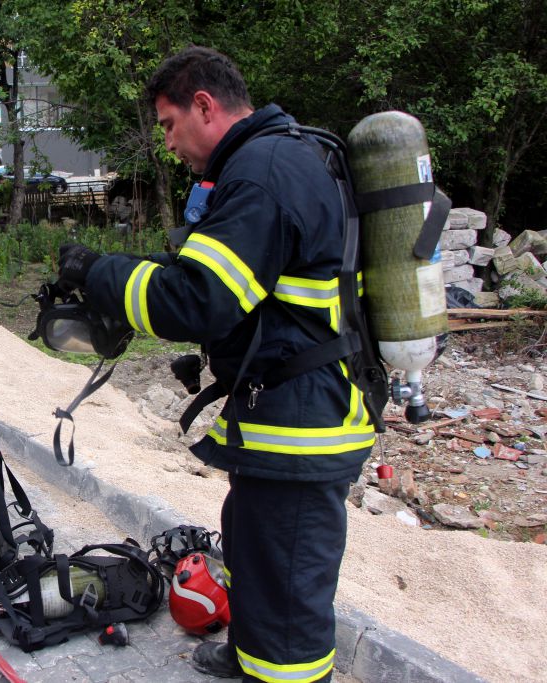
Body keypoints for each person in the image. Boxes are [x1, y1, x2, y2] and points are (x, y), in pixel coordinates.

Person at [57, 47, 374, 682]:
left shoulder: (261, 174)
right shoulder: (274, 161)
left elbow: (200, 302)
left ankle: (280, 670)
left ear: (205, 105)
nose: (168, 142)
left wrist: (101, 274)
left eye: (170, 124)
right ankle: (249, 651)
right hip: (285, 408)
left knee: (286, 582)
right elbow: (216, 278)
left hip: (301, 421)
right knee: (255, 549)